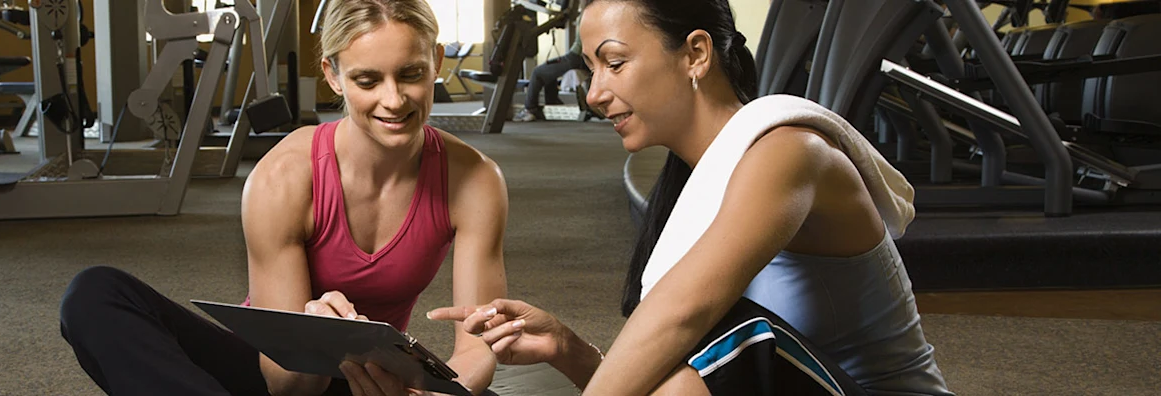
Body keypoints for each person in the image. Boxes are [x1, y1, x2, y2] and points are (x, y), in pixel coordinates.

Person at [358, 0, 956, 395]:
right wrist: (571, 349)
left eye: (614, 63)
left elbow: (689, 321)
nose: (594, 93)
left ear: (696, 54)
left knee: (743, 334)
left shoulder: (787, 151)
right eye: (591, 68)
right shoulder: (703, 179)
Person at [56, 0, 510, 395]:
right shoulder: (285, 176)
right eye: (368, 81)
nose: (393, 100)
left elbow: (477, 347)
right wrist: (315, 338)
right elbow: (284, 386)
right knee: (95, 295)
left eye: (410, 74)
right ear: (333, 76)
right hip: (278, 374)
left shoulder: (475, 180)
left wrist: (441, 395)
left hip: (378, 382)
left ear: (435, 60)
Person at [514, 16, 589, 123]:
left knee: (538, 73)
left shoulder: (587, 13)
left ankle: (530, 110)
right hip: (584, 58)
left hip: (576, 57)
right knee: (549, 73)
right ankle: (553, 102)